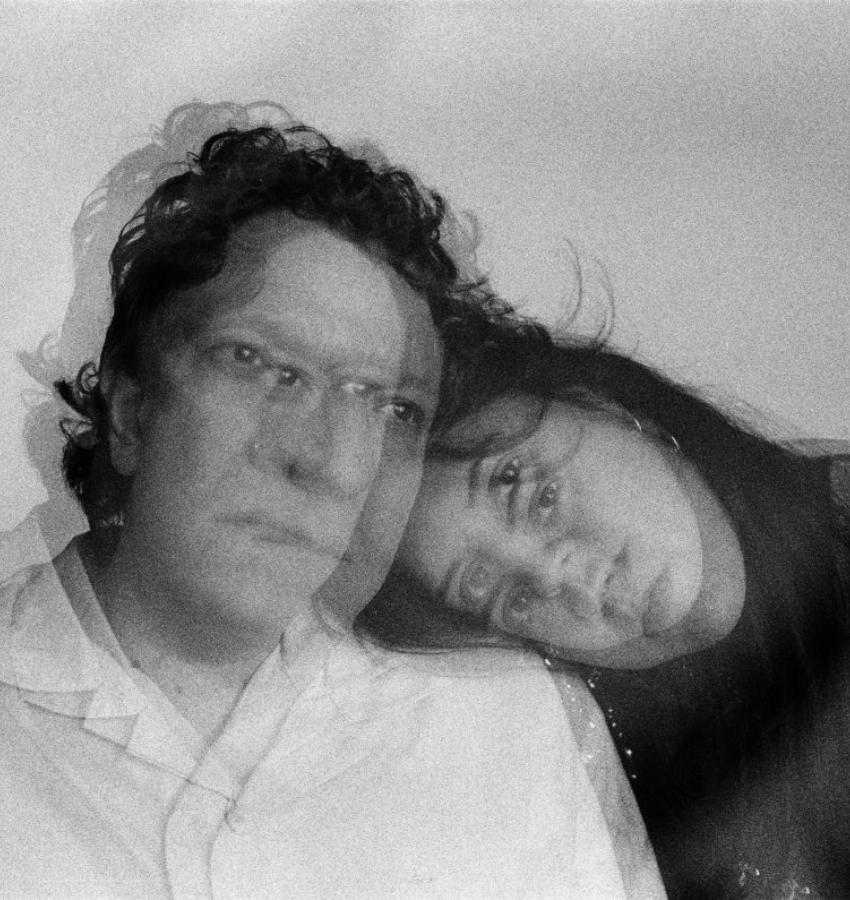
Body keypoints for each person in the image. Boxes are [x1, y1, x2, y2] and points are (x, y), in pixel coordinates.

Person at [0, 111, 662, 898]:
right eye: (262, 364)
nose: (327, 462)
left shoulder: (514, 725)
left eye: (391, 409)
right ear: (132, 409)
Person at [359, 327, 850, 899]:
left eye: (533, 494)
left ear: (608, 406)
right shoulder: (608, 806)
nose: (551, 577)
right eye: (509, 598)